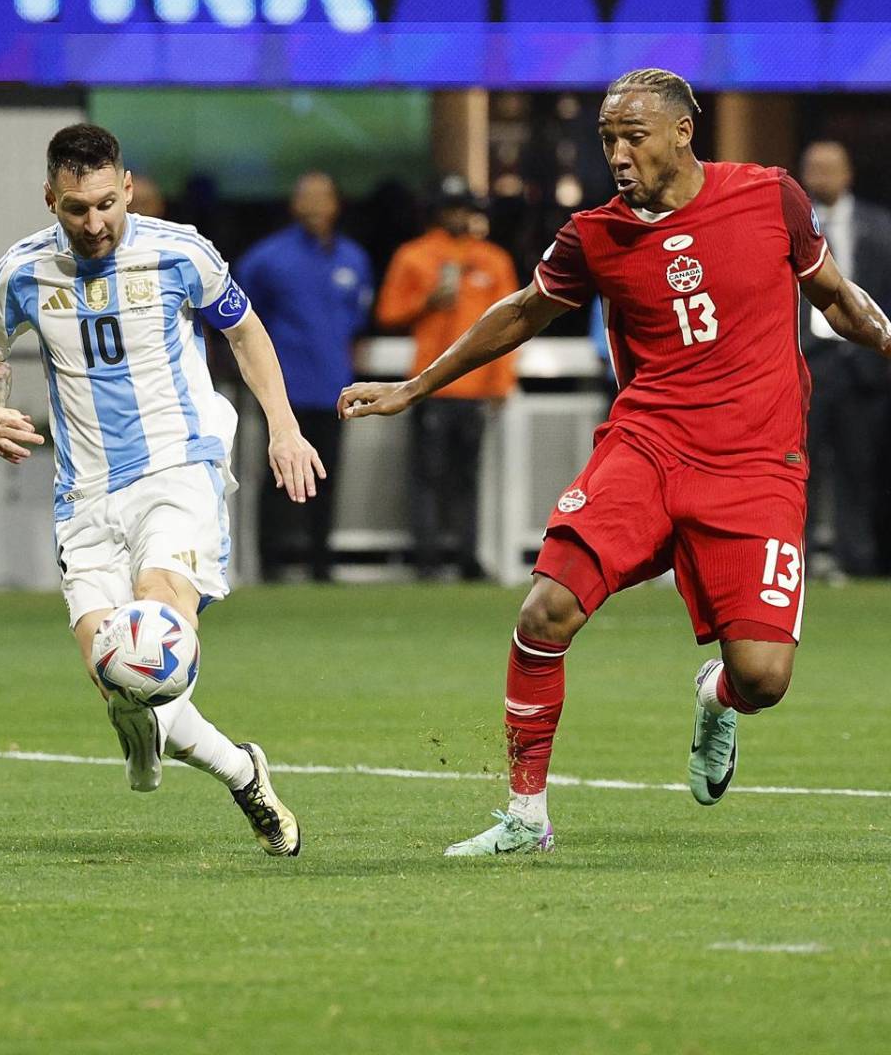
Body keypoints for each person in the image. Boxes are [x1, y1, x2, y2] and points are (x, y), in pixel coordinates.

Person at [339, 69, 891, 856]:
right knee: (544, 611)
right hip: (648, 450)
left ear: (682, 132)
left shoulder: (770, 197)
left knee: (763, 678)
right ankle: (525, 816)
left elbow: (835, 295)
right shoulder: (595, 234)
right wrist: (415, 386)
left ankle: (718, 695)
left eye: (634, 136)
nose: (619, 154)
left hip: (757, 466)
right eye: (608, 140)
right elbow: (524, 311)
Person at [0, 123, 323, 856]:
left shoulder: (179, 252)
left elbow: (247, 332)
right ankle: (242, 773)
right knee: (119, 677)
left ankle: (162, 729)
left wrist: (284, 427)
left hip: (176, 469)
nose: (94, 223)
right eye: (76, 209)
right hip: (83, 496)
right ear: (50, 200)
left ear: (127, 187)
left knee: (155, 623)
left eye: (106, 203)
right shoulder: (24, 271)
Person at [373, 176, 519, 580]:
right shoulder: (415, 256)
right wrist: (428, 301)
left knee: (467, 478)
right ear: (437, 212)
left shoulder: (493, 260)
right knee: (428, 475)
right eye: (450, 208)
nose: (457, 215)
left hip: (474, 389)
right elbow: (387, 313)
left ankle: (466, 557)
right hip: (428, 386)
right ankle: (427, 559)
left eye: (462, 208)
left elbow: (512, 326)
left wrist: (501, 383)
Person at [235, 171, 373, 582]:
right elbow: (239, 323)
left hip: (335, 387)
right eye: (307, 198)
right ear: (294, 205)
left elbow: (358, 320)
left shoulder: (353, 258)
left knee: (328, 474)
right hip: (284, 387)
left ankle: (320, 562)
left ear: (336, 204)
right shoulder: (265, 259)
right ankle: (270, 563)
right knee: (277, 475)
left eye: (323, 197)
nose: (315, 206)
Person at [797, 140, 891, 577]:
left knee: (861, 468)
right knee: (802, 469)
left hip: (864, 370)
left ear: (848, 173)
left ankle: (859, 560)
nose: (822, 177)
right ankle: (799, 561)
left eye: (830, 168)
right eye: (814, 168)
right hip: (808, 366)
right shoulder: (791, 225)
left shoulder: (880, 226)